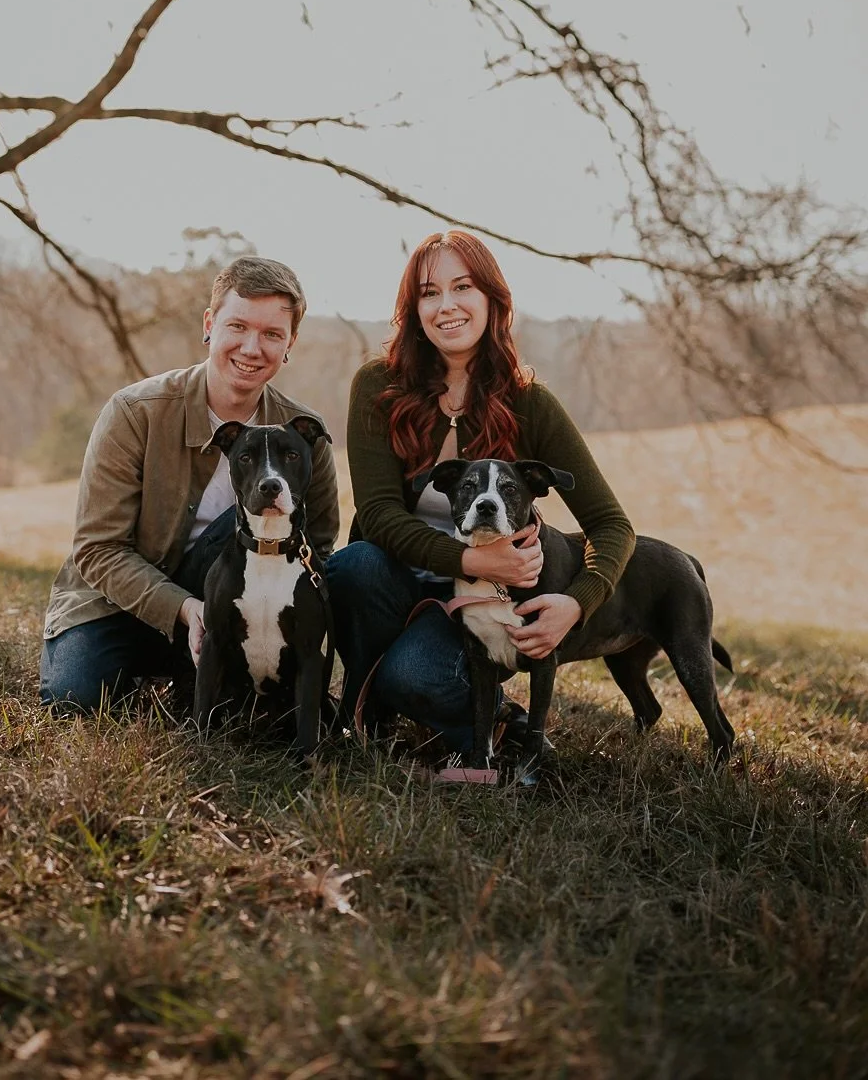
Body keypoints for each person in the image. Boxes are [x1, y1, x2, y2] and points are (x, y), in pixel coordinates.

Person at [327, 230, 635, 755]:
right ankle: (365, 702)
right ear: (413, 308)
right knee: (351, 566)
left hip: (476, 607)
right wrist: (471, 558)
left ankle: (490, 718)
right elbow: (376, 513)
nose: (446, 305)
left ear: (493, 300)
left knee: (415, 680)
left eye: (462, 287)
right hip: (394, 577)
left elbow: (612, 525)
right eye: (428, 292)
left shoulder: (528, 401)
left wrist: (576, 604)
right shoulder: (379, 385)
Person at [40, 256, 339, 714]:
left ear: (289, 344)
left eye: (272, 334)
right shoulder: (135, 412)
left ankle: (212, 679)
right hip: (120, 605)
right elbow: (97, 549)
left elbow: (315, 544)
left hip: (241, 612)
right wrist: (184, 608)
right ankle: (165, 669)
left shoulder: (301, 436)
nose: (252, 348)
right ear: (210, 324)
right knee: (75, 699)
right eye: (238, 326)